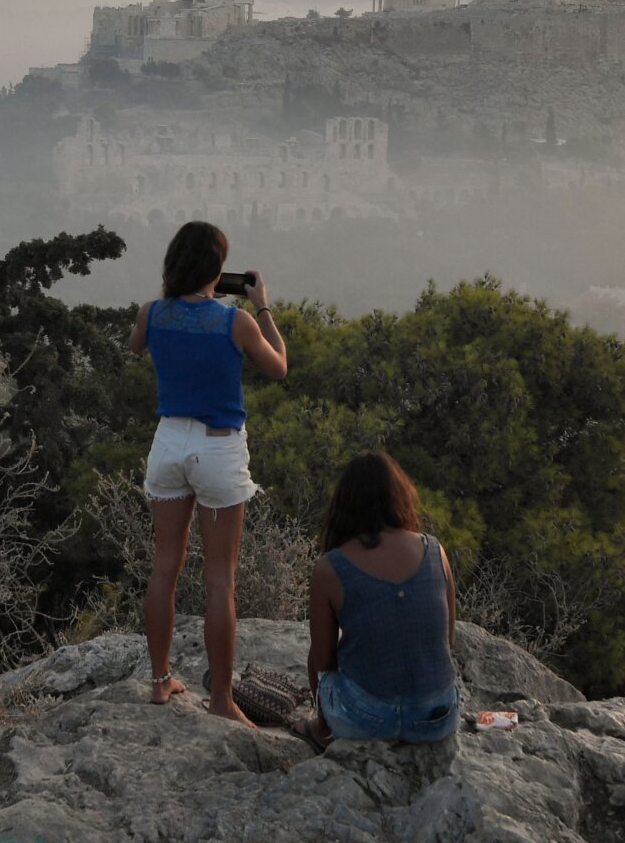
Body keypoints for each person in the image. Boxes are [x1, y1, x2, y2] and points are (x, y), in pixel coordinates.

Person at [129, 221, 287, 728]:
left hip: (169, 441)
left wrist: (174, 298)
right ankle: (221, 699)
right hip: (217, 448)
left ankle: (159, 682)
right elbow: (279, 367)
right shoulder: (235, 322)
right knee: (220, 581)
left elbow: (137, 347)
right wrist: (262, 305)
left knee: (164, 567)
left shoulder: (152, 313)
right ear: (218, 270)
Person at [293, 451, 459, 749]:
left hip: (367, 721)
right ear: (400, 496)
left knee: (313, 656)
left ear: (343, 504)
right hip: (437, 718)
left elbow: (324, 660)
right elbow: (448, 641)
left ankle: (320, 728)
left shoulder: (330, 567)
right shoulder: (435, 551)